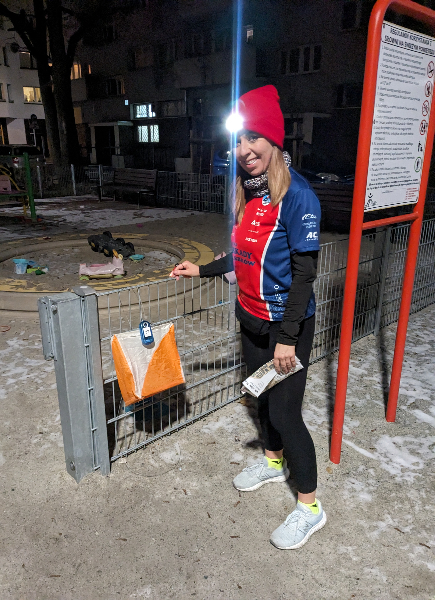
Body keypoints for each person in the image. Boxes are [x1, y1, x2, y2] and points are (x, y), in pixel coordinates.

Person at [170, 85, 326, 550]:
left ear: (274, 139)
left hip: (285, 326)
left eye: (254, 137)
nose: (245, 150)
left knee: (285, 412)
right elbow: (241, 256)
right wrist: (202, 269)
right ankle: (274, 462)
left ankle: (310, 508)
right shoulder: (246, 191)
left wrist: (288, 338)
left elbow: (304, 276)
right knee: (260, 398)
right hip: (250, 318)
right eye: (238, 140)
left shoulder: (298, 196)